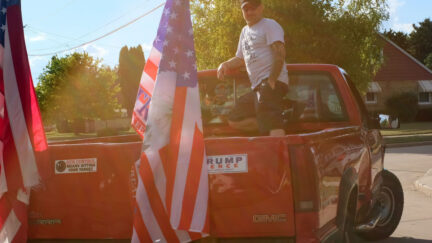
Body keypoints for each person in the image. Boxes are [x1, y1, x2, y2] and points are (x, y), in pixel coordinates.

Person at [217, 0, 289, 136]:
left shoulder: (269, 25)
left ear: (261, 8)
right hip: (257, 87)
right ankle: (266, 128)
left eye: (253, 8)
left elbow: (279, 53)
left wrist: (271, 81)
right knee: (234, 117)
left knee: (273, 122)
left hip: (269, 81)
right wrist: (225, 64)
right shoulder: (244, 32)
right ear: (242, 11)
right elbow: (240, 59)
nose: (249, 12)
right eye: (246, 9)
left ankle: (278, 155)